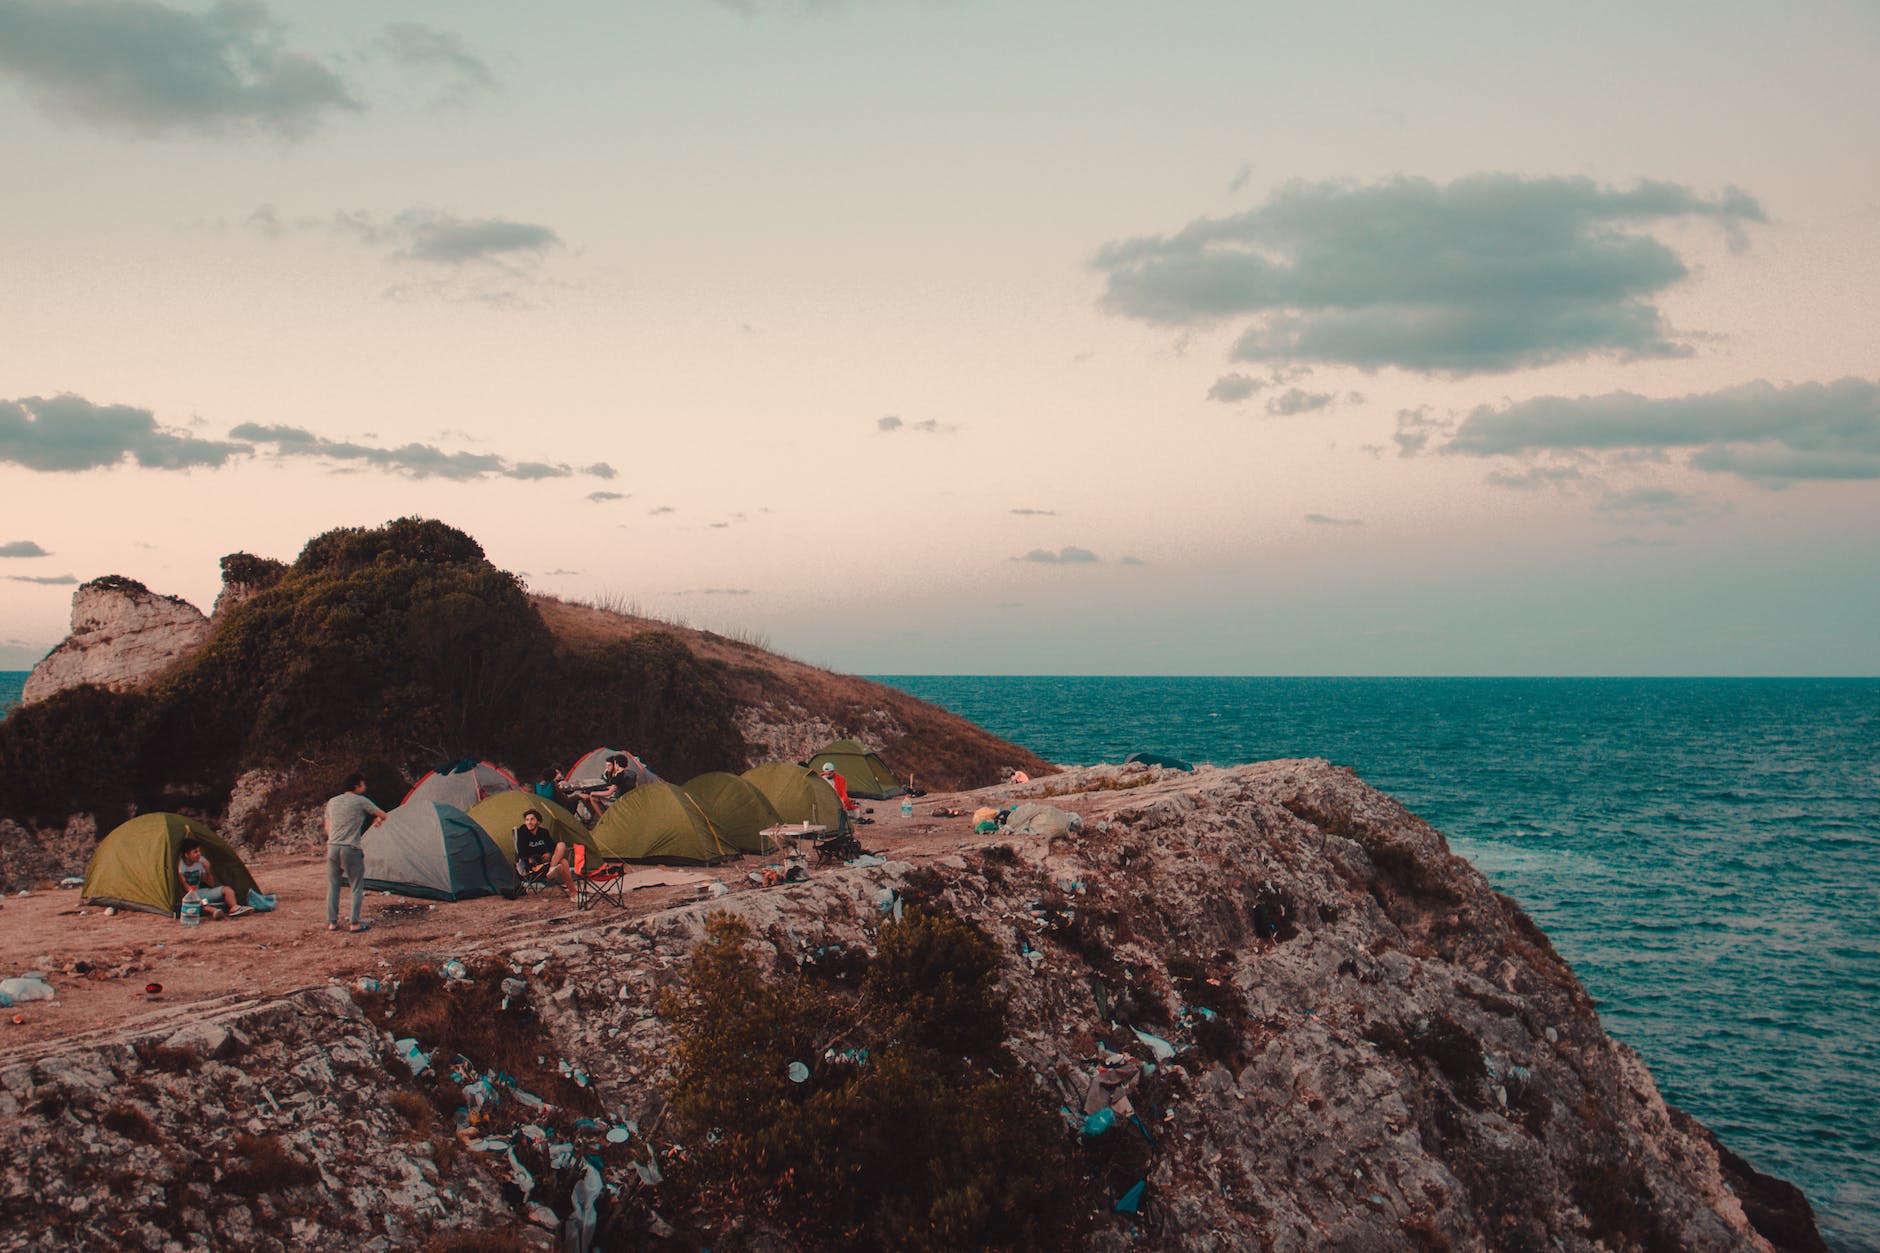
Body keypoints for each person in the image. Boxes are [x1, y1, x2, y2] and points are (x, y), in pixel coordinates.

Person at [325, 772, 385, 933]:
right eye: (363, 784)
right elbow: (382, 814)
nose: (365, 787)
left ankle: (332, 922)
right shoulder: (361, 801)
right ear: (357, 786)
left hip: (332, 847)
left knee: (333, 885)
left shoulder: (332, 802)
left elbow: (327, 828)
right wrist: (376, 819)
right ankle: (355, 923)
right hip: (350, 848)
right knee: (356, 886)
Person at [177, 838, 250, 918]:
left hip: (201, 892)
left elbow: (210, 884)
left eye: (199, 851)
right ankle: (213, 911)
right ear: (186, 855)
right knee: (195, 900)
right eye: (195, 852)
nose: (198, 854)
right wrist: (194, 895)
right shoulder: (181, 865)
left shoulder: (201, 861)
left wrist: (207, 870)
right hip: (188, 895)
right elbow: (185, 886)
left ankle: (234, 908)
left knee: (227, 890)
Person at [514, 808, 575, 901]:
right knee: (563, 862)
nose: (529, 822)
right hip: (534, 865)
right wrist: (534, 858)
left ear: (538, 822)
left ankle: (553, 869)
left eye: (532, 819)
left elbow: (552, 847)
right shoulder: (522, 832)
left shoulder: (543, 832)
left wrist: (549, 854)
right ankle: (573, 893)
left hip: (546, 862)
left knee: (561, 845)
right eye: (527, 820)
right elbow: (522, 853)